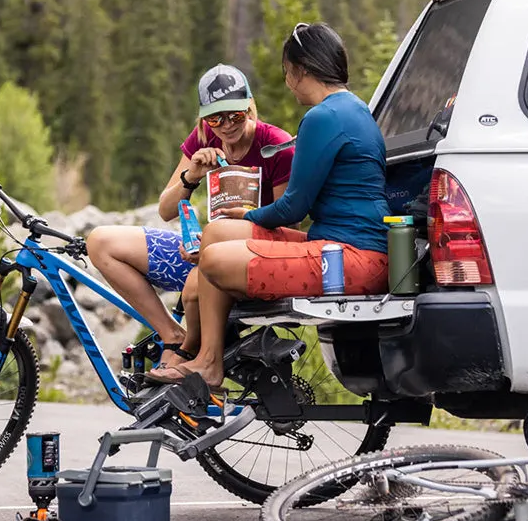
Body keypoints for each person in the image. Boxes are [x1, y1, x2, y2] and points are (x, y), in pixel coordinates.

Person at [149, 23, 390, 388]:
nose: (287, 81)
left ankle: (209, 358)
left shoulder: (323, 117)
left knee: (213, 258)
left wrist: (249, 215)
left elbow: (293, 207)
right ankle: (207, 356)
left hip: (349, 258)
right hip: (342, 248)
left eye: (287, 72)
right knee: (216, 232)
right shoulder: (353, 109)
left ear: (300, 71)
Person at [88, 64, 294, 368]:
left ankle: (190, 357)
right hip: (203, 252)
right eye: (215, 118)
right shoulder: (203, 137)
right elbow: (166, 210)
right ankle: (171, 335)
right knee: (100, 241)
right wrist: (192, 175)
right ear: (204, 117)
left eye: (234, 115)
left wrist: (223, 241)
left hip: (250, 261)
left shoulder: (276, 145)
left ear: (249, 106)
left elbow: (288, 228)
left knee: (200, 278)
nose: (225, 126)